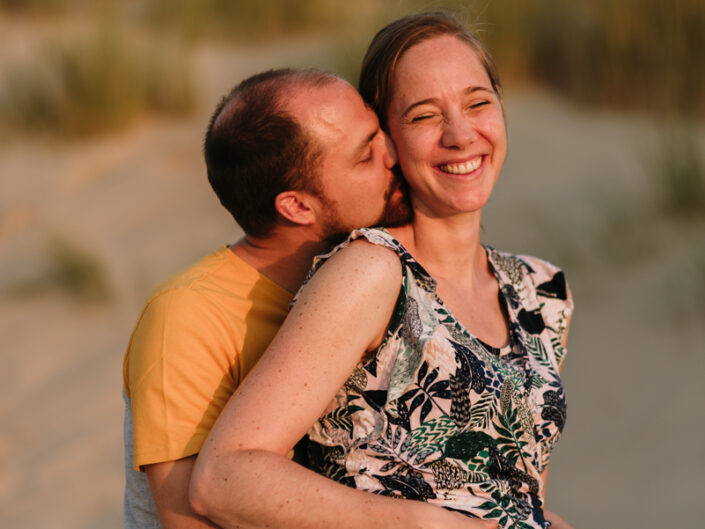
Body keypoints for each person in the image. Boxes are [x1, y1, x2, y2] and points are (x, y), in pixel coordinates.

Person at [190, 12, 575, 529]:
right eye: (423, 116)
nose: (462, 134)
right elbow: (224, 477)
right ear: (388, 141)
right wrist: (428, 525)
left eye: (478, 102)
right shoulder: (374, 273)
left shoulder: (541, 292)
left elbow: (512, 492)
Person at [122, 67, 411, 528]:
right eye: (365, 155)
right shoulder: (189, 316)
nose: (393, 155)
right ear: (297, 206)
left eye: (380, 133)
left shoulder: (374, 278)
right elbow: (189, 520)